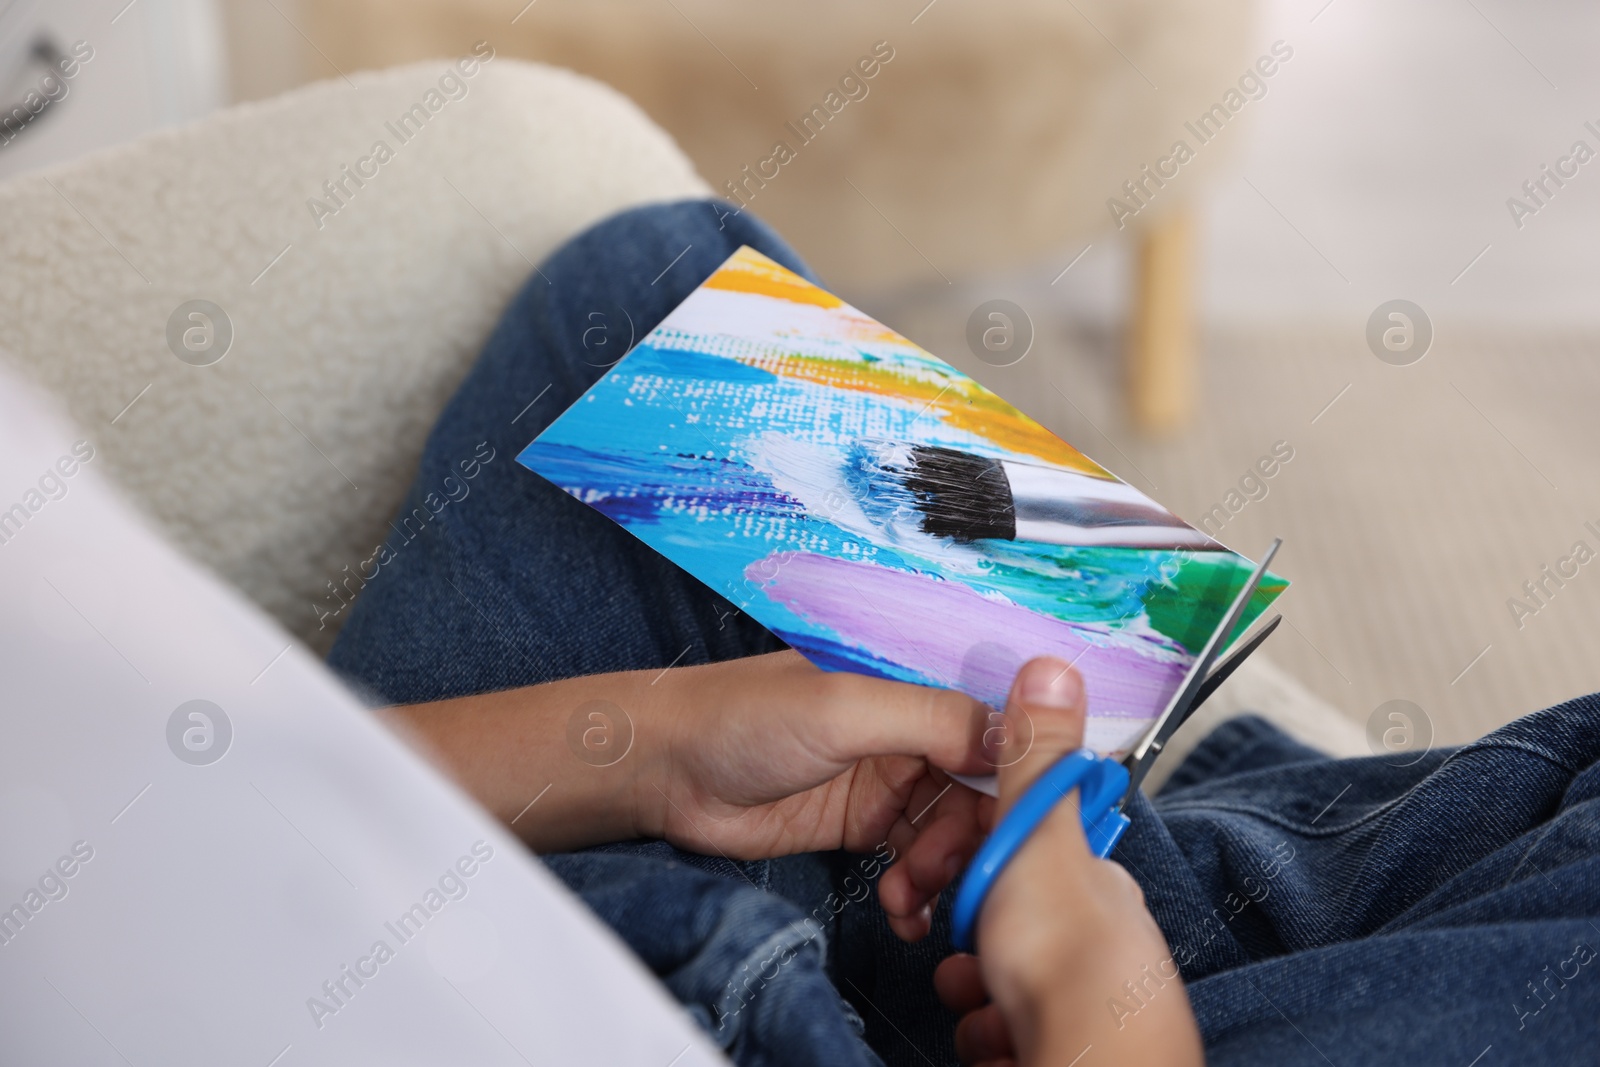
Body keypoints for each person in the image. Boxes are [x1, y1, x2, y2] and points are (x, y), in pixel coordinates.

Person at [328, 200, 1600, 1066]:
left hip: (683, 983)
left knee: (628, 332)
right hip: (1141, 943)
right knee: (648, 294)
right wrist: (660, 747)